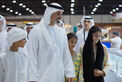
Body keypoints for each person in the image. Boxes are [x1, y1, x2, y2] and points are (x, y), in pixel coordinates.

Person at [26, 3, 75, 82]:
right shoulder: (36, 31)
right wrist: (32, 77)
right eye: (58, 14)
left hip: (58, 76)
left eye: (61, 14)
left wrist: (69, 72)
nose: (60, 17)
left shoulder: (61, 32)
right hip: (41, 76)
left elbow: (65, 53)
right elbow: (32, 56)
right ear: (50, 13)